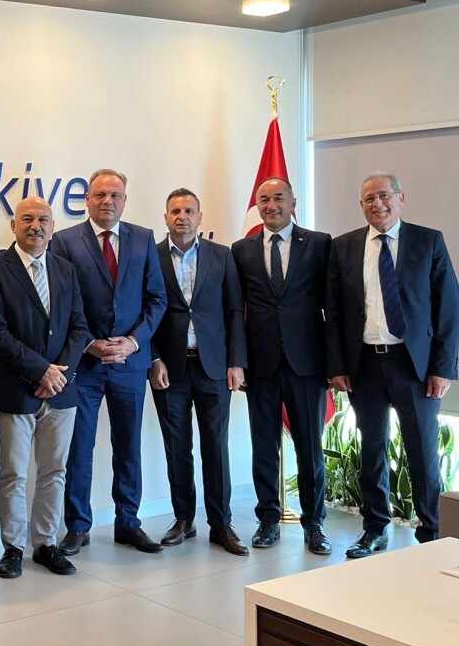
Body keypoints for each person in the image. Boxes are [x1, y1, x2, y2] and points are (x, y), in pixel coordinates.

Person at [326, 172, 459, 557]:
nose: (377, 204)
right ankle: (374, 528)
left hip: (414, 367)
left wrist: (443, 368)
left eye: (384, 195)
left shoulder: (427, 241)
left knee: (423, 453)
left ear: (401, 199)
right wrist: (337, 366)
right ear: (361, 205)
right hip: (364, 364)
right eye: (368, 198)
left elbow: (449, 307)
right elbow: (333, 313)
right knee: (372, 450)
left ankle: (432, 533)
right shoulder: (344, 247)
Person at [48, 168, 167, 555]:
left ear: (125, 200)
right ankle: (77, 526)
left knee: (128, 447)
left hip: (130, 364)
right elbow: (61, 303)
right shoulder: (65, 241)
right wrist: (88, 344)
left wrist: (133, 342)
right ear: (87, 200)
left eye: (115, 195)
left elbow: (156, 299)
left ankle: (128, 523)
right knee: (79, 449)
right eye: (100, 195)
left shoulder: (143, 238)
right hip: (84, 366)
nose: (107, 201)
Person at [0, 196, 90, 578]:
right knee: (13, 472)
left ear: (52, 227)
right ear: (14, 226)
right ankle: (13, 548)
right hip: (15, 389)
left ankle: (45, 544)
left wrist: (59, 375)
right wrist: (42, 371)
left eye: (43, 219)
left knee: (54, 471)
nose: (35, 226)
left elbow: (79, 328)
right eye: (27, 219)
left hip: (61, 391)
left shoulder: (65, 269)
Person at [231, 177, 333, 555]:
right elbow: (235, 311)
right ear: (257, 205)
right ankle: (268, 519)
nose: (271, 205)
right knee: (263, 447)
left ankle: (314, 523)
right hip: (261, 365)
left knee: (310, 449)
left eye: (278, 198)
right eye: (264, 199)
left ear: (293, 203)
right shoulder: (241, 249)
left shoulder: (319, 243)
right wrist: (238, 361)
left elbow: (333, 307)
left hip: (307, 364)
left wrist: (335, 364)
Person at [149, 189, 249, 556]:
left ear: (200, 216)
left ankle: (221, 524)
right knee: (177, 447)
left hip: (214, 367)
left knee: (216, 447)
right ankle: (183, 520)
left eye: (189, 210)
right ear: (166, 217)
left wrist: (236, 361)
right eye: (175, 211)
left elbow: (234, 310)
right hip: (170, 368)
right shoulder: (151, 256)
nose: (182, 217)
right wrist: (153, 358)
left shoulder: (222, 255)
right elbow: (144, 310)